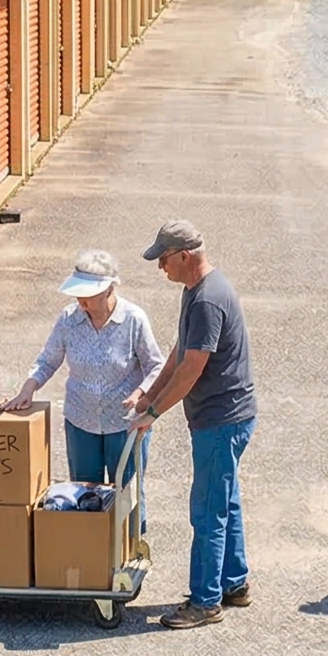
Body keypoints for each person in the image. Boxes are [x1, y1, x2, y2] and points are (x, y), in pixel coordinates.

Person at [129, 219, 254, 630]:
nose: (160, 268)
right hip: (224, 418)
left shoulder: (206, 301)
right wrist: (149, 394)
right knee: (226, 500)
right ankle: (233, 584)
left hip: (221, 421)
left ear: (184, 256)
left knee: (207, 511)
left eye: (163, 260)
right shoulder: (196, 291)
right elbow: (179, 355)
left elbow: (191, 372)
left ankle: (205, 602)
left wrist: (152, 414)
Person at [0, 249, 164, 534]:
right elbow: (48, 359)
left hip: (124, 424)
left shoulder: (134, 319)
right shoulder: (68, 319)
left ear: (110, 289)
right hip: (81, 421)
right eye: (79, 293)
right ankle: (91, 560)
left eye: (88, 294)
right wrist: (29, 388)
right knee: (85, 498)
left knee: (128, 495)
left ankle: (131, 560)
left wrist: (141, 393)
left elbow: (156, 366)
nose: (81, 300)